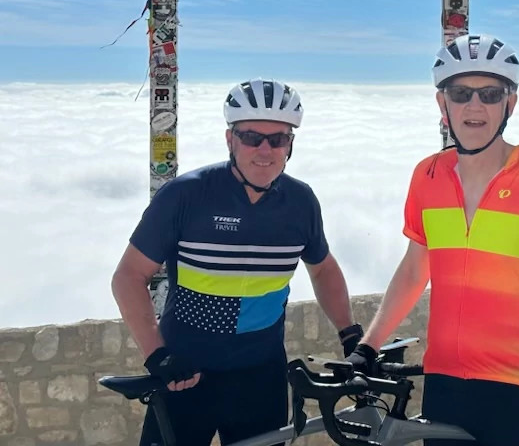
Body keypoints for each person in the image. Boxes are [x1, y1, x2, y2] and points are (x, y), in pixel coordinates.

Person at [345, 34, 519, 446]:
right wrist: (368, 347)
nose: (474, 106)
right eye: (461, 93)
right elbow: (413, 270)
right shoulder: (428, 175)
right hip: (443, 384)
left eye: (490, 94)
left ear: (509, 104)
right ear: (443, 104)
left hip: (518, 386)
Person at [112, 78, 362, 446]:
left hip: (260, 380)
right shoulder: (186, 195)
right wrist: (157, 355)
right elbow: (129, 276)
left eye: (277, 139)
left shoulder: (300, 202)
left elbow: (322, 268)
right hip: (185, 374)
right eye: (251, 137)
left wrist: (349, 333)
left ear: (290, 145)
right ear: (230, 140)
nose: (265, 149)